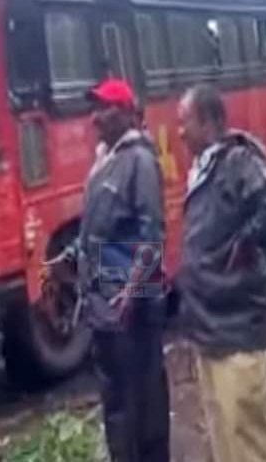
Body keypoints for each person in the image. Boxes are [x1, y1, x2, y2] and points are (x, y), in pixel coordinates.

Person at [175, 84, 266, 462]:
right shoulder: (206, 167)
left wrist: (246, 245)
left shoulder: (237, 162)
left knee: (251, 441)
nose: (179, 132)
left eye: (186, 123)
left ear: (209, 122)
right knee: (226, 441)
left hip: (238, 334)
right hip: (212, 335)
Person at [71, 78, 170, 462]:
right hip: (105, 306)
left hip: (132, 307)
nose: (96, 117)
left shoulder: (140, 161)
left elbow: (151, 232)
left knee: (142, 402)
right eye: (94, 108)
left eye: (105, 108)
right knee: (116, 402)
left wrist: (131, 292)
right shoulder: (105, 160)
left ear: (127, 113)